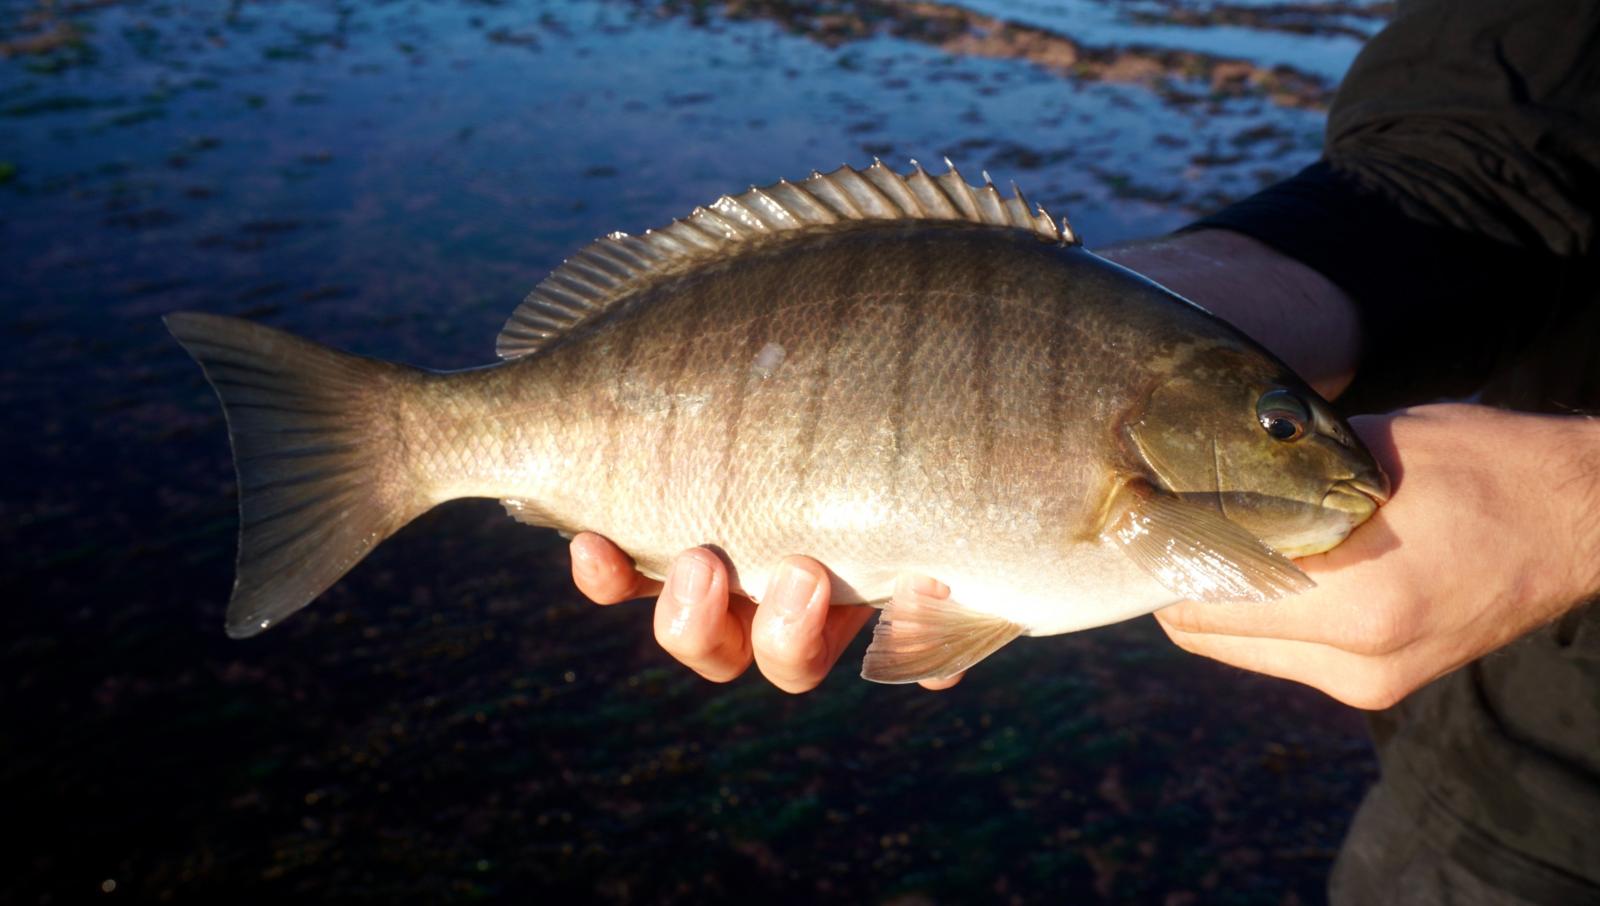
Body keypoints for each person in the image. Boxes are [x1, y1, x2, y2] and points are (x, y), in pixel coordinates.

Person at [567, 0, 1600, 901]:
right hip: (1521, 795)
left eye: (1281, 429)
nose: (1305, 450)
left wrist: (1574, 511)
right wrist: (1192, 297)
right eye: (1278, 426)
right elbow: (1506, 133)